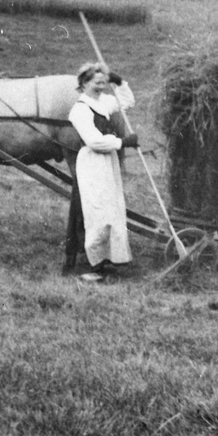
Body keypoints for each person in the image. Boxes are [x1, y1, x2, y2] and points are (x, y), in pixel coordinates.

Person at [67, 63, 138, 280]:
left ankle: (106, 259)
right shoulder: (80, 109)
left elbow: (127, 102)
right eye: (96, 82)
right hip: (92, 164)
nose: (100, 86)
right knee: (94, 212)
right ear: (84, 83)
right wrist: (122, 142)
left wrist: (119, 81)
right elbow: (94, 141)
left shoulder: (102, 103)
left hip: (108, 164)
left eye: (103, 82)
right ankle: (88, 263)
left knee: (109, 210)